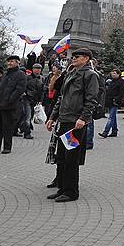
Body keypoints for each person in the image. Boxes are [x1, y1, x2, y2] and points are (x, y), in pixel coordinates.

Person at [45, 47, 99, 202]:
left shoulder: (90, 75)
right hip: (64, 119)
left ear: (86, 59)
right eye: (73, 56)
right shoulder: (70, 73)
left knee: (71, 158)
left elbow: (91, 99)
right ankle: (62, 187)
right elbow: (61, 97)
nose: (74, 58)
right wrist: (52, 117)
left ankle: (71, 192)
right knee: (61, 156)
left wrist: (83, 118)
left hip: (76, 123)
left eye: (78, 56)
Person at [0, 55, 26, 154]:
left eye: (12, 61)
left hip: (9, 105)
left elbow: (19, 89)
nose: (9, 63)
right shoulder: (5, 74)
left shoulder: (20, 74)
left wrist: (10, 100)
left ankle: (7, 147)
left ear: (17, 63)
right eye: (8, 62)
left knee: (7, 127)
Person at [19, 63, 43, 139]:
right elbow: (22, 86)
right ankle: (27, 133)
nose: (37, 70)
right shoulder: (27, 78)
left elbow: (42, 90)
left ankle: (23, 127)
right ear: (32, 69)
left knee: (30, 116)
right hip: (26, 99)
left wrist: (41, 100)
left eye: (39, 69)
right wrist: (24, 93)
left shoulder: (41, 78)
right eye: (36, 68)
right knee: (28, 116)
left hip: (35, 100)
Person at [99, 69, 124, 138]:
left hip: (115, 102)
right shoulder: (111, 81)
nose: (112, 74)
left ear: (118, 74)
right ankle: (114, 131)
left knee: (111, 117)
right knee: (113, 117)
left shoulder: (121, 81)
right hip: (110, 101)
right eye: (112, 73)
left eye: (114, 73)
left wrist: (116, 100)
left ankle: (105, 132)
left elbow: (122, 93)